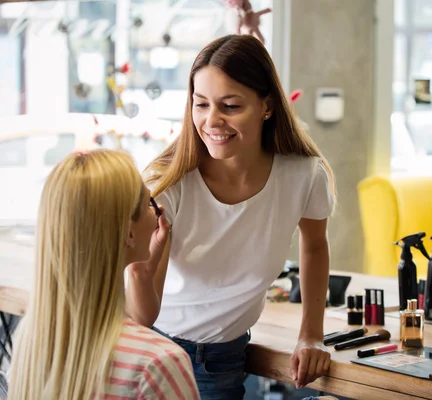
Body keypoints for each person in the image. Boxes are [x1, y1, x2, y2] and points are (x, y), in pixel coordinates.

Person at [129, 34, 336, 399]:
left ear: (267, 106)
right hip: (154, 350)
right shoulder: (169, 185)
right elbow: (142, 316)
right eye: (201, 104)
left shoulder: (304, 175)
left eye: (230, 106)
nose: (212, 121)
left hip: (222, 358)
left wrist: (311, 335)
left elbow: (315, 247)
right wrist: (140, 271)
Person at [8, 150, 199, 400]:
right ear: (128, 233)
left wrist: (143, 271)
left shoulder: (31, 344)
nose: (158, 212)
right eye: (150, 204)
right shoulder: (157, 364)